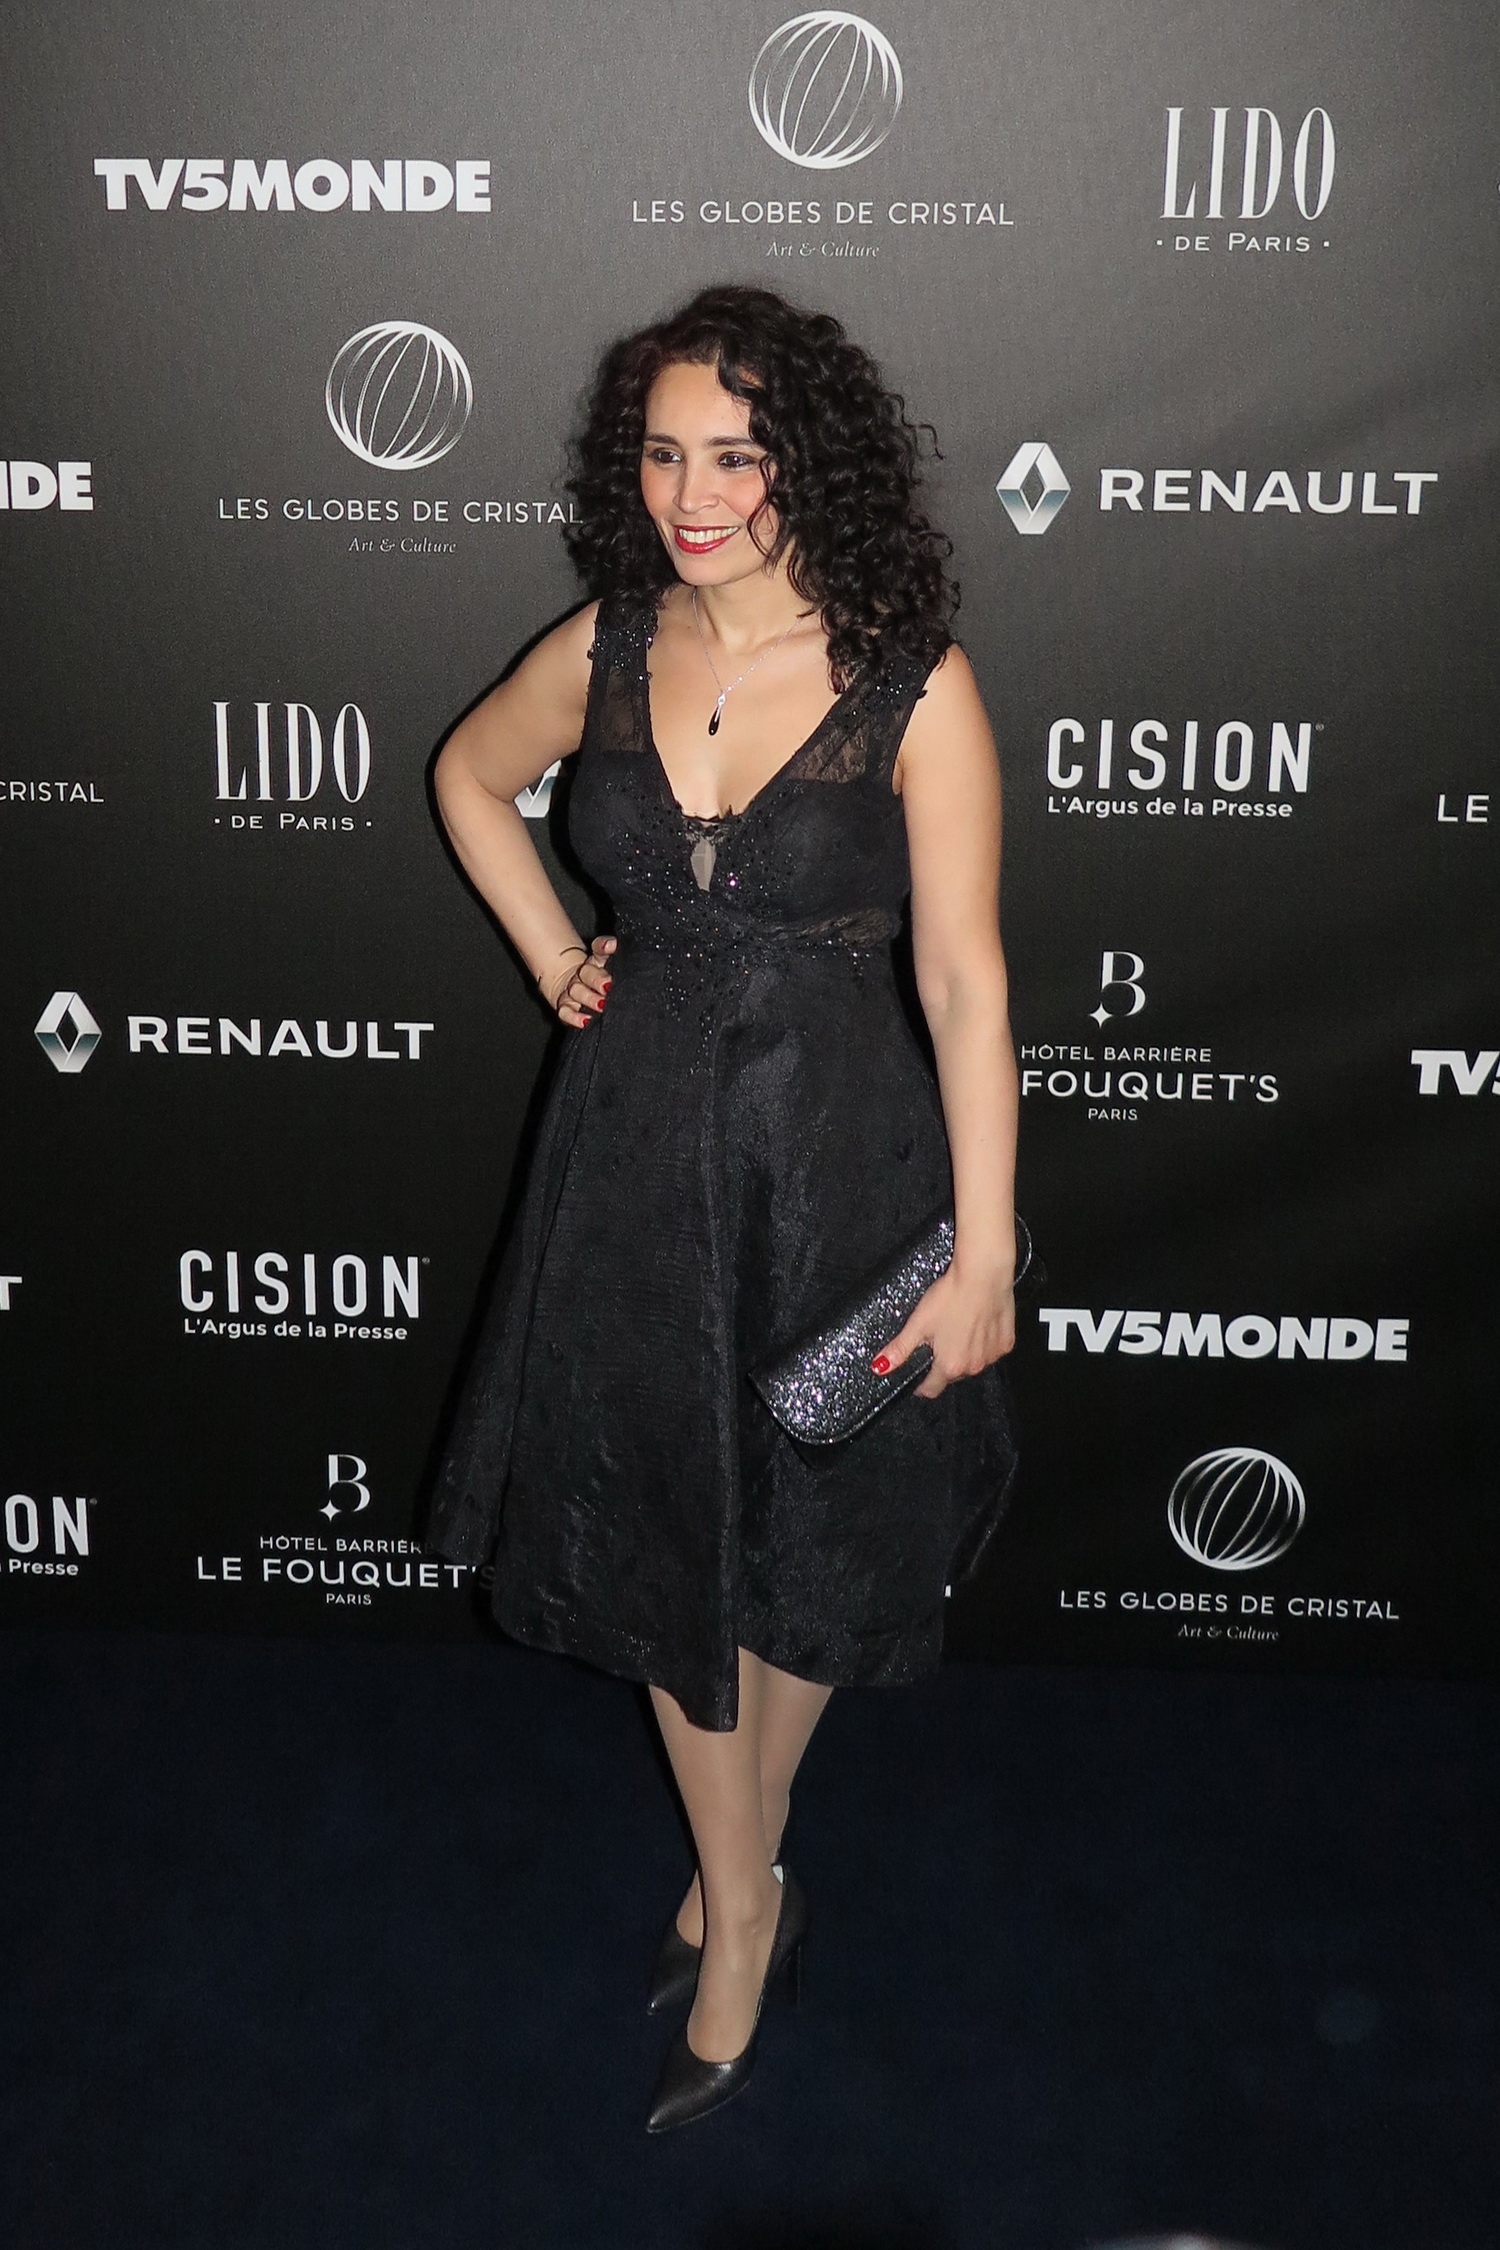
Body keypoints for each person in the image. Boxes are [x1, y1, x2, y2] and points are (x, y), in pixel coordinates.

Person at [427, 284, 1020, 2132]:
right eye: (665, 454)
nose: (693, 495)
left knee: (817, 1539)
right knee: (675, 1536)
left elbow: (966, 980)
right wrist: (556, 953)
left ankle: (737, 1855)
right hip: (630, 1169)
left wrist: (988, 1243)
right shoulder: (606, 643)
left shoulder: (912, 678)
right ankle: (745, 1899)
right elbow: (467, 774)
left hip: (845, 1170)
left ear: (810, 465)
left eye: (738, 457)